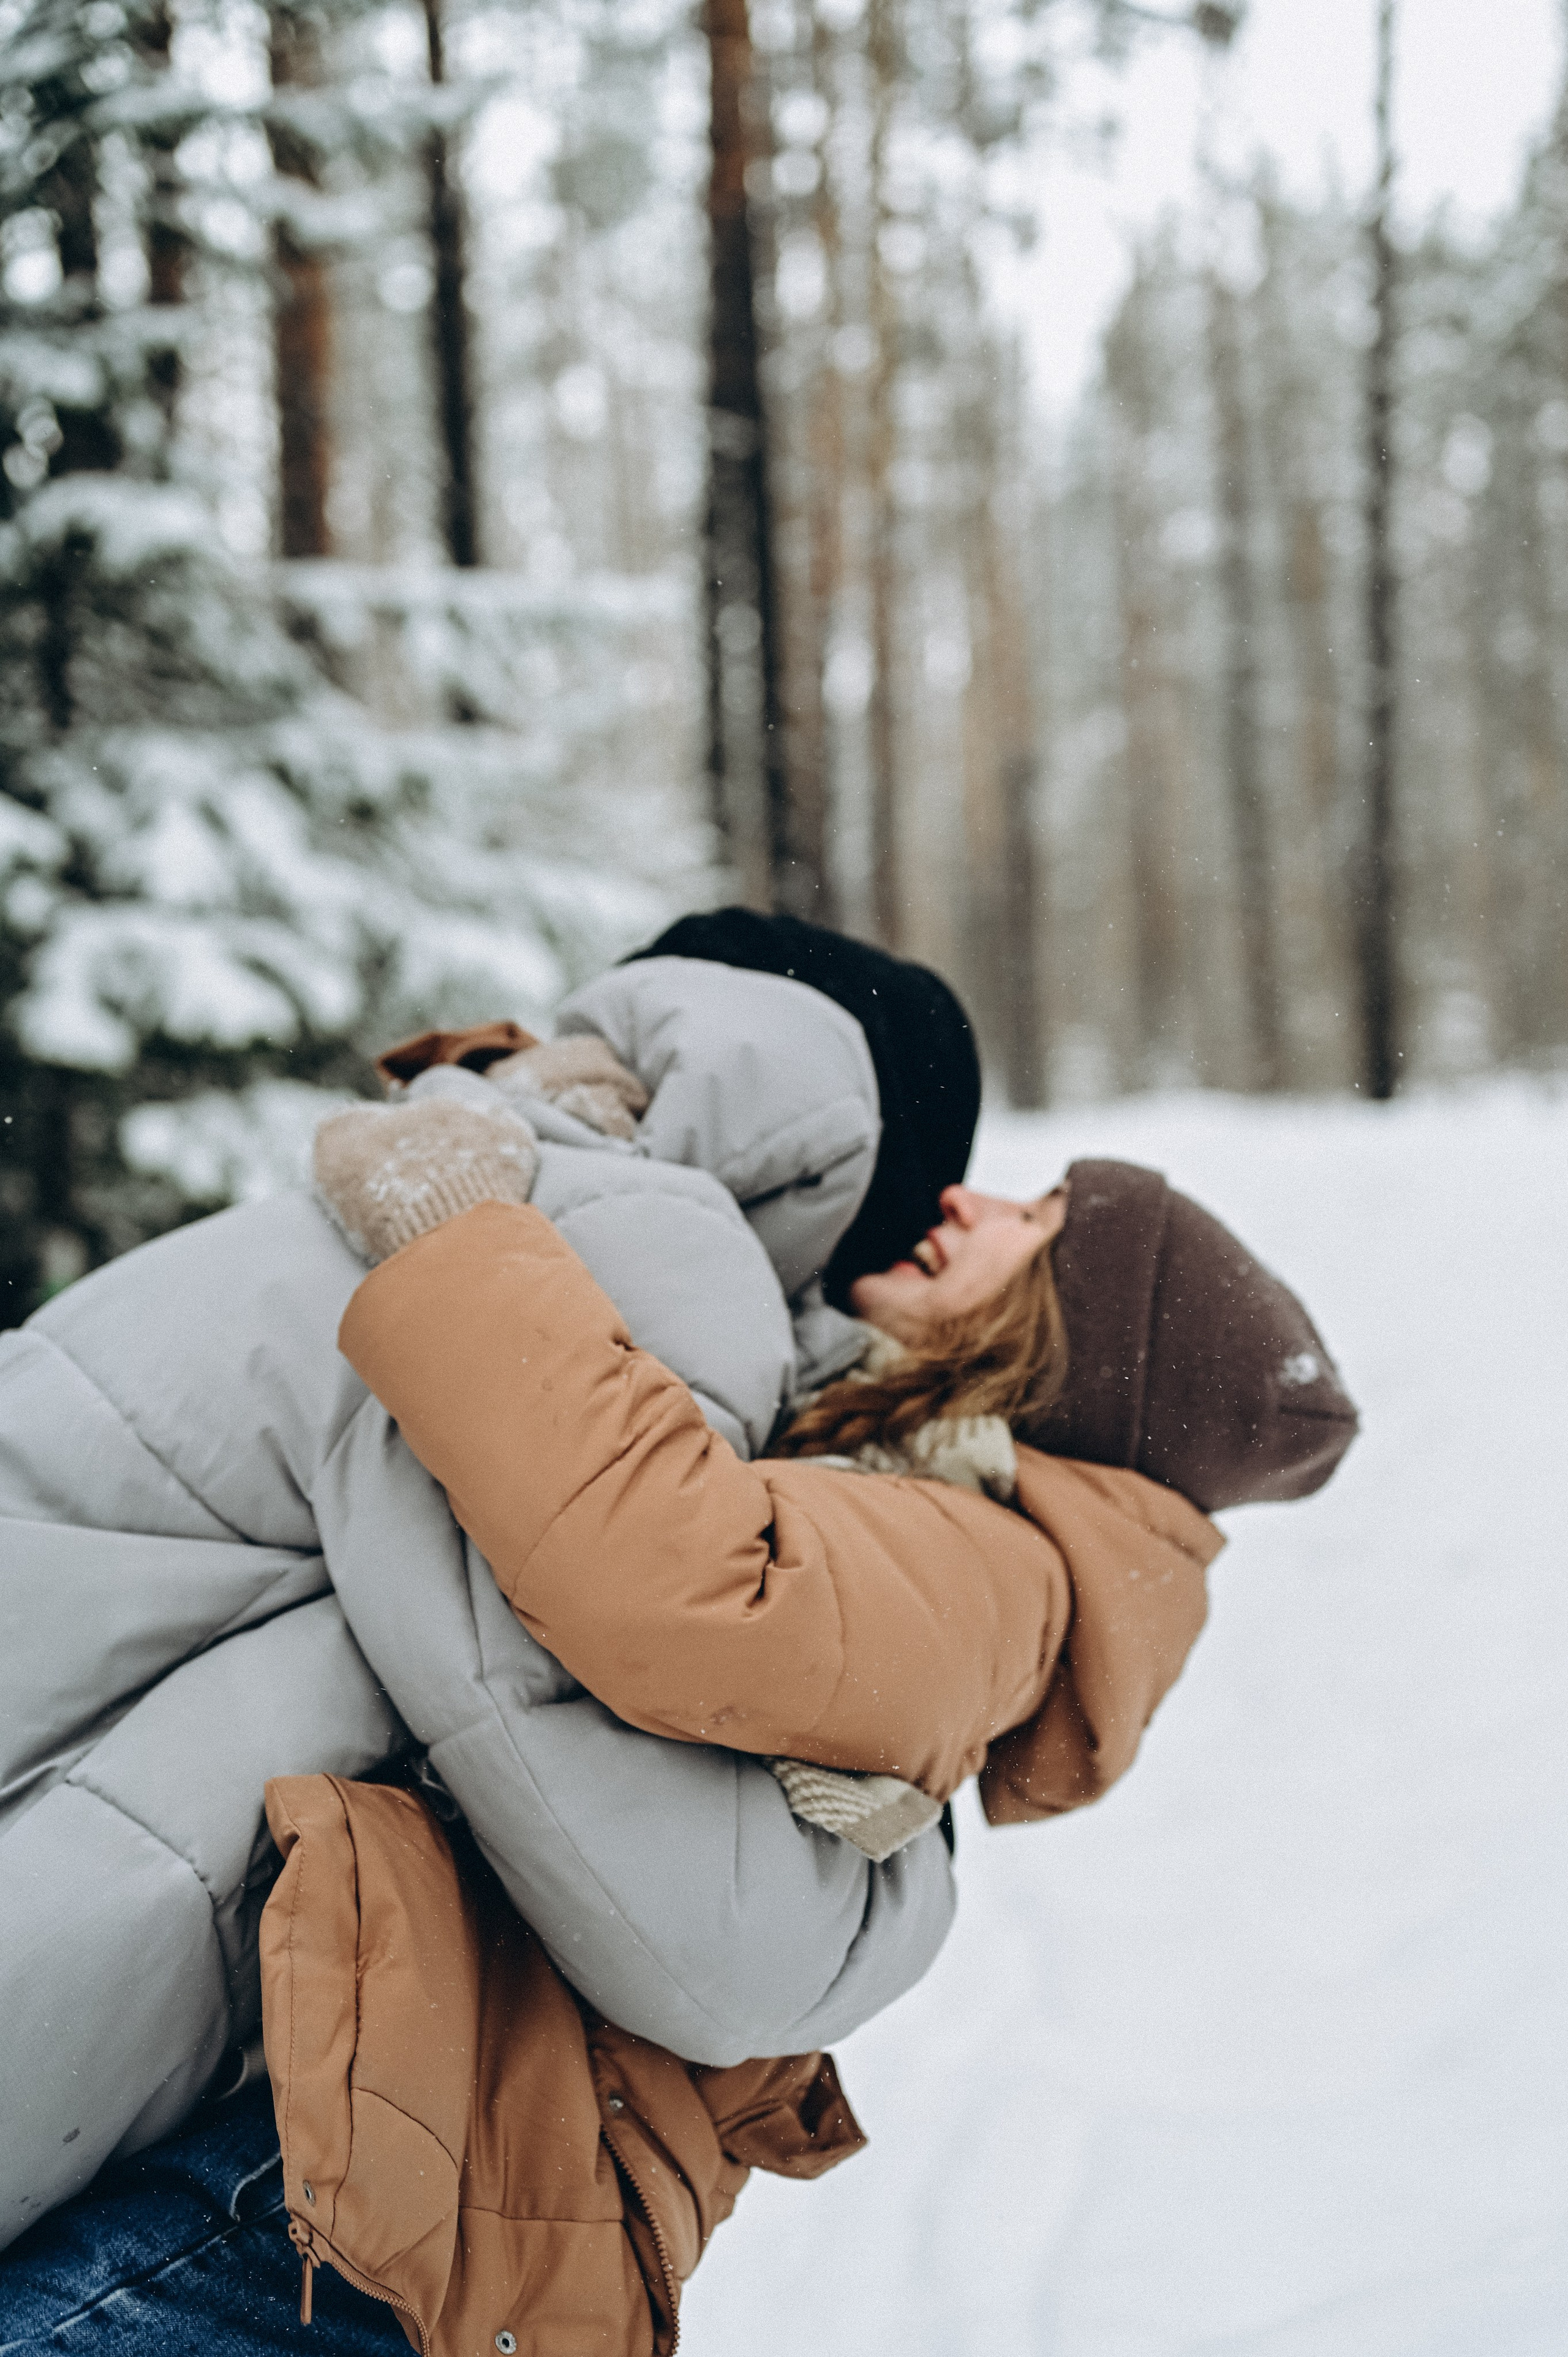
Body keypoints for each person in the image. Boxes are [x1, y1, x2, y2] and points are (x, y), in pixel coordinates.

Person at [0, 921, 1357, 2354]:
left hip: (365, 2168)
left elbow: (660, 1582)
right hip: (387, 2148)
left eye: (1038, 1224)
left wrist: (463, 1240)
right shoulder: (845, 1433)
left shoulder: (977, 1547)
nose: (962, 1205)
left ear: (1067, 1351)